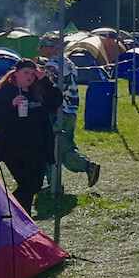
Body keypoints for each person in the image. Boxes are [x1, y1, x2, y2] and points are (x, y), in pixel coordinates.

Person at [0, 59, 62, 214]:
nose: (30, 77)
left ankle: (18, 218)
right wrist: (10, 105)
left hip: (37, 147)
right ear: (16, 74)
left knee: (36, 184)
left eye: (33, 74)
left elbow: (56, 101)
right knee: (28, 184)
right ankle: (12, 214)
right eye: (26, 73)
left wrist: (44, 80)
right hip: (12, 147)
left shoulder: (38, 91)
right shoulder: (5, 91)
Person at [45, 62, 100, 191]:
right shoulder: (68, 63)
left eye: (42, 45)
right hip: (71, 110)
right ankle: (54, 183)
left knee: (51, 148)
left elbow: (49, 88)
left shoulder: (52, 64)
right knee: (63, 148)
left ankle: (86, 166)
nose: (40, 49)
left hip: (60, 111)